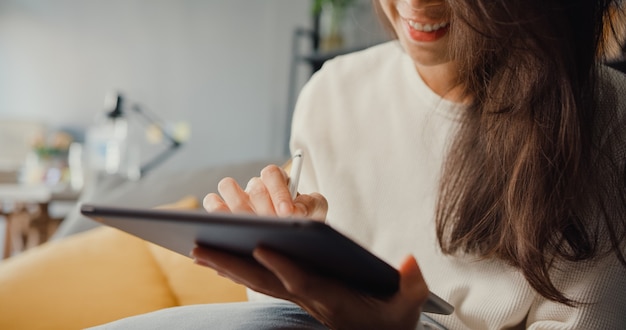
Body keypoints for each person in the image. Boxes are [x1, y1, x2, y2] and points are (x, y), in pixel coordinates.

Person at [94, 0, 626, 328]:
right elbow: (283, 310)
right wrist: (275, 255)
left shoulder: (608, 114)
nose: (415, 4)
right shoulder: (333, 90)